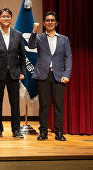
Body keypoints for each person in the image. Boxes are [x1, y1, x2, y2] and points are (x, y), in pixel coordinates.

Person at [29, 11, 72, 141]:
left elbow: (68, 58)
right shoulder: (39, 37)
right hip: (43, 75)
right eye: (47, 20)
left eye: (52, 20)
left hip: (59, 76)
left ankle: (59, 132)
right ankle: (43, 132)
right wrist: (34, 31)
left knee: (59, 106)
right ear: (43, 23)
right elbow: (31, 45)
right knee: (44, 105)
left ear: (56, 23)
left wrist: (67, 74)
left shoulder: (64, 39)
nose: (50, 22)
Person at [0, 8, 26, 138]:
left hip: (14, 73)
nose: (6, 19)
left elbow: (22, 55)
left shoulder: (17, 34)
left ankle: (16, 130)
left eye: (8, 16)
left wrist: (22, 71)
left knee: (15, 103)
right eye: (3, 16)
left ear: (11, 18)